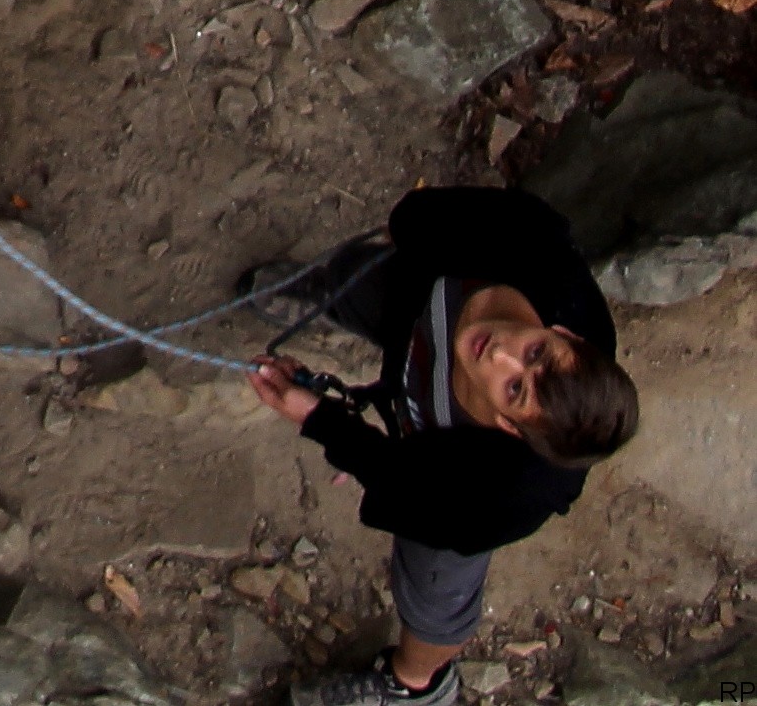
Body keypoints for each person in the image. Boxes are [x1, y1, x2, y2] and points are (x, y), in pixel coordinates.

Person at [250, 184, 640, 706]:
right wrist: (414, 228)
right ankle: (326, 291)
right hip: (414, 307)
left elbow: (402, 480)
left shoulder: (503, 491)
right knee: (355, 278)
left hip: (450, 479)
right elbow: (425, 216)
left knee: (437, 595)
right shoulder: (531, 247)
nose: (500, 352)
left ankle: (415, 685)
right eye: (536, 352)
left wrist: (319, 418)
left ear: (508, 427)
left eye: (514, 388)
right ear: (567, 334)